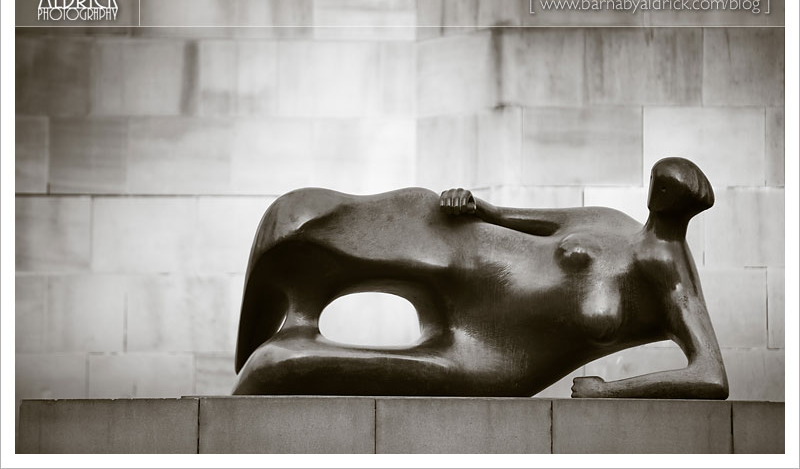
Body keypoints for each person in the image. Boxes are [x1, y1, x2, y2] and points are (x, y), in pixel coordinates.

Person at [233, 157, 728, 399]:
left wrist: (609, 393)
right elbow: (519, 217)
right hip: (475, 260)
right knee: (308, 218)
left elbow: (710, 376)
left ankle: (284, 345)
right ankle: (297, 296)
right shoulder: (608, 221)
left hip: (489, 358)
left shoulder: (673, 280)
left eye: (663, 193)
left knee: (279, 365)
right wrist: (477, 205)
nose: (653, 198)